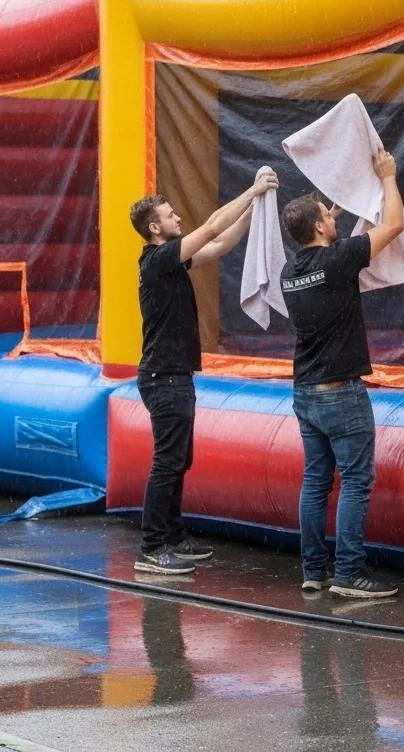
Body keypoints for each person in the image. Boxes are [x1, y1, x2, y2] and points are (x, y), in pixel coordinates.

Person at [128, 171, 278, 575]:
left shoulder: (172, 260)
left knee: (179, 459)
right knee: (167, 461)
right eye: (171, 214)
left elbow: (220, 243)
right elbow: (212, 225)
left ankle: (173, 535)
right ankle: (151, 547)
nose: (179, 217)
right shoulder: (159, 258)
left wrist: (255, 208)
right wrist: (253, 189)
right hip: (164, 377)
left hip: (174, 376)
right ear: (154, 228)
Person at [281, 148, 404, 598]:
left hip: (306, 390)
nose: (333, 218)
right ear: (318, 227)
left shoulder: (290, 271)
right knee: (355, 480)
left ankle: (314, 570)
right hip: (340, 393)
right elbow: (392, 226)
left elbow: (325, 248)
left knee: (316, 480)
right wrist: (387, 177)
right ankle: (350, 574)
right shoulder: (337, 261)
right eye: (326, 216)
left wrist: (326, 221)